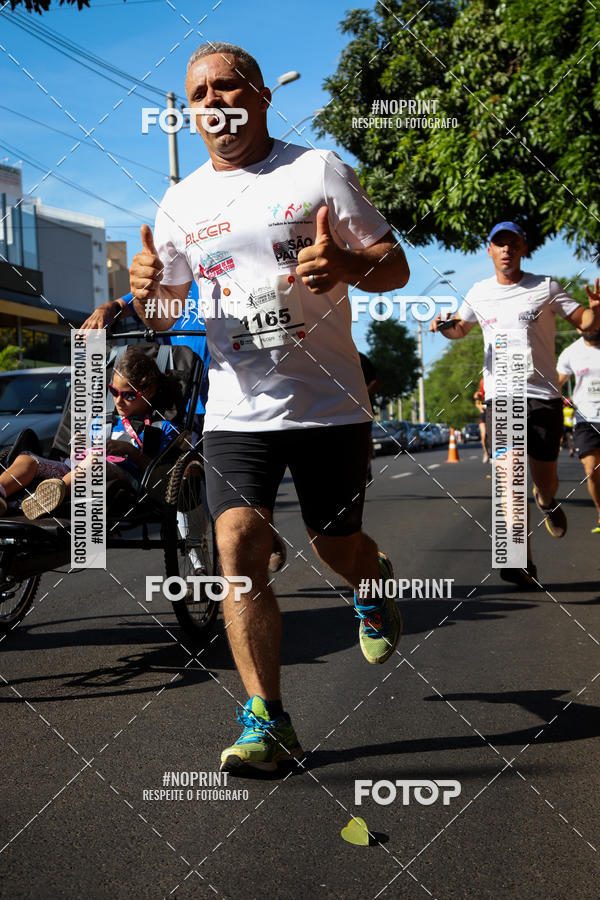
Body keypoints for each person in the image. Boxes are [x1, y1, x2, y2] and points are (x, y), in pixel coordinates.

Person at [129, 42, 409, 774]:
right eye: (200, 92)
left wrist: (349, 266)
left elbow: (395, 263)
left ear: (260, 95)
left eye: (229, 85)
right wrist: (145, 292)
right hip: (237, 408)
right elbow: (162, 316)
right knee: (238, 551)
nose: (216, 100)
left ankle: (371, 582)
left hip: (329, 405)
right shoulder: (181, 201)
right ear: (190, 111)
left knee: (332, 544)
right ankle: (270, 722)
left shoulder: (313, 170)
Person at [431, 221, 600, 587]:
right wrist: (445, 325)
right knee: (508, 476)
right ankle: (517, 558)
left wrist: (594, 312)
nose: (506, 249)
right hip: (502, 395)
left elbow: (582, 320)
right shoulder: (479, 292)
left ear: (523, 248)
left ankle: (547, 501)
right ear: (489, 250)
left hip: (543, 397)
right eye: (499, 243)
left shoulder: (546, 287)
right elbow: (461, 327)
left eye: (513, 243)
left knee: (545, 480)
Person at [0, 346, 179, 519]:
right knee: (27, 459)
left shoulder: (161, 428)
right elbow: (79, 457)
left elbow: (162, 474)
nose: (119, 401)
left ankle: (46, 497)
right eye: (114, 392)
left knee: (94, 462)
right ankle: (2, 492)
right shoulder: (101, 421)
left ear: (149, 392)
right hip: (76, 471)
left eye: (129, 395)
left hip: (123, 481)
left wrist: (131, 451)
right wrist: (79, 447)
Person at [557, 306, 600, 532]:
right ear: (577, 328)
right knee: (591, 471)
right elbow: (556, 384)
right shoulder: (571, 353)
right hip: (585, 420)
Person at [358, 351, 382, 482]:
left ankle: (366, 466)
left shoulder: (361, 358)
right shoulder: (329, 357)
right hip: (334, 411)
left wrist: (363, 393)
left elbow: (377, 381)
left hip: (361, 409)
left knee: (365, 438)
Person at [473, 376, 489, 462]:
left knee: (491, 435)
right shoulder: (481, 394)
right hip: (483, 415)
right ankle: (486, 452)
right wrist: (480, 406)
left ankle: (493, 453)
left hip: (492, 414)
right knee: (483, 435)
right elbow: (476, 400)